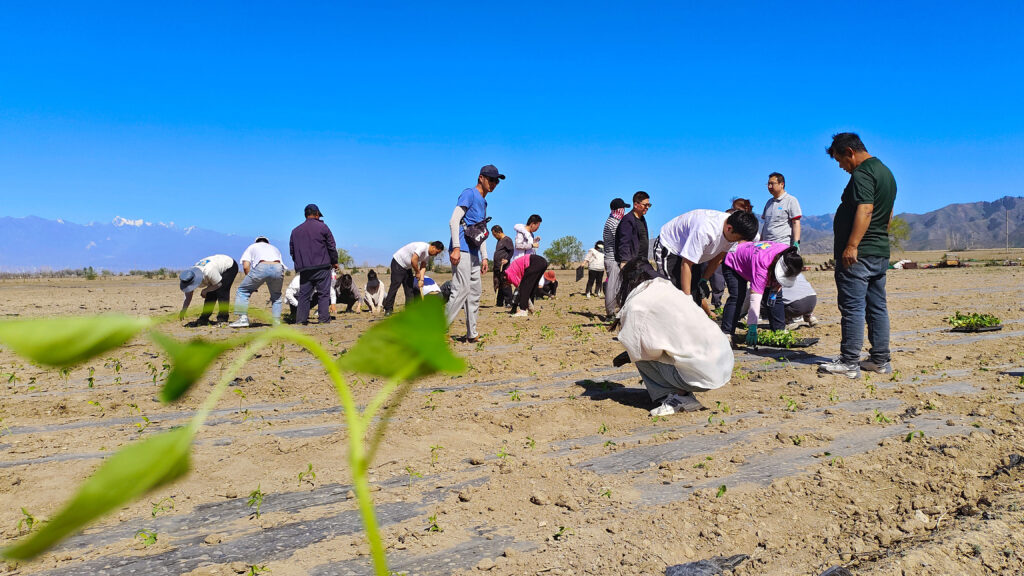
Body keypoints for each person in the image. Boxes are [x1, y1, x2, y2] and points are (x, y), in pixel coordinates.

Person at [819, 133, 897, 379]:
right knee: (877, 307)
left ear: (850, 152)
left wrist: (852, 245)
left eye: (841, 160)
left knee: (852, 307)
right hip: (878, 251)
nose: (842, 167)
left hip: (858, 256)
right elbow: (889, 212)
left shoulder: (862, 173)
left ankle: (850, 362)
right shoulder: (885, 172)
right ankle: (880, 360)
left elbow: (866, 208)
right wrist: (879, 238)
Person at [615, 258, 734, 416]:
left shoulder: (637, 304)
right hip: (722, 360)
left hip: (704, 372)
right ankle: (682, 393)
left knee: (641, 357)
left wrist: (631, 355)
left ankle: (677, 398)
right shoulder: (668, 288)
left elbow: (643, 350)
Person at [653, 209, 759, 307]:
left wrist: (704, 280)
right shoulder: (705, 231)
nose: (736, 243)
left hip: (692, 254)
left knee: (695, 294)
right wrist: (686, 301)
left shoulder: (734, 230)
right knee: (674, 292)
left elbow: (719, 258)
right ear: (729, 228)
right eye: (737, 239)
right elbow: (686, 264)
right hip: (671, 247)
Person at [445, 165, 499, 343]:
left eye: (496, 181)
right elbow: (454, 221)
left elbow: (480, 231)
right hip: (462, 250)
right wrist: (456, 248)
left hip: (475, 252)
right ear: (481, 178)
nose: (494, 184)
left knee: (475, 292)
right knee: (461, 289)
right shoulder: (469, 194)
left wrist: (484, 257)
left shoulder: (483, 202)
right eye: (491, 180)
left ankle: (472, 333)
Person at [723, 242, 803, 344]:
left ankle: (779, 332)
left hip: (760, 263)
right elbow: (755, 299)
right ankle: (727, 333)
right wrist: (752, 326)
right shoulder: (762, 265)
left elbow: (782, 279)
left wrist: (777, 286)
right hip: (734, 260)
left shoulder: (788, 255)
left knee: (776, 297)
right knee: (737, 297)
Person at [289, 204, 339, 325]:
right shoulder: (323, 227)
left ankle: (301, 320)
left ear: (306, 215)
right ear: (317, 214)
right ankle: (323, 319)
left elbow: (292, 251)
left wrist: (300, 264)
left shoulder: (295, 231)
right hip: (322, 266)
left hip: (305, 268)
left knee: (304, 295)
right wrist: (334, 262)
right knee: (323, 293)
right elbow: (331, 246)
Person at [229, 236, 285, 328]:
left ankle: (243, 319)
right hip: (278, 267)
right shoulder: (274, 248)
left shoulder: (252, 247)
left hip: (262, 266)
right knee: (276, 296)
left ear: (256, 242)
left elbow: (246, 266)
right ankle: (276, 322)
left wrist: (251, 282)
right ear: (268, 243)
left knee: (243, 291)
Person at [720, 199, 756, 335]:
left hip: (745, 266)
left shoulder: (751, 224)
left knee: (741, 296)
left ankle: (731, 330)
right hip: (731, 263)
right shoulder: (732, 221)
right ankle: (727, 332)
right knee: (736, 295)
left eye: (739, 208)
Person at [383, 241, 445, 315]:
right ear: (433, 247)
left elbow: (423, 266)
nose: (436, 255)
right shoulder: (422, 247)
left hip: (407, 267)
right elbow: (414, 260)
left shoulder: (428, 255)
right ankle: (388, 309)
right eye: (436, 252)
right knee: (395, 286)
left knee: (409, 289)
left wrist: (421, 280)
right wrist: (417, 272)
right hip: (398, 263)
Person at [179, 254, 239, 325]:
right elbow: (188, 295)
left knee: (222, 291)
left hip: (229, 266)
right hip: (215, 268)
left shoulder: (208, 271)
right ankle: (204, 319)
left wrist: (205, 290)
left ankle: (223, 319)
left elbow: (219, 284)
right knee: (211, 293)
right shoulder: (189, 277)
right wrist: (184, 309)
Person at [760, 172, 802, 249]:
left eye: (772, 184)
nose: (769, 186)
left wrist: (796, 242)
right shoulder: (768, 203)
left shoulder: (791, 200)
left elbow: (796, 222)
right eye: (768, 184)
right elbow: (765, 224)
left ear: (781, 184)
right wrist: (760, 241)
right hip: (766, 246)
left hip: (782, 245)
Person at [603, 198, 629, 318]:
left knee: (617, 285)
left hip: (614, 258)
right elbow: (619, 240)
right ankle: (610, 312)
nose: (624, 211)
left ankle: (615, 310)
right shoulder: (613, 223)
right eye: (622, 208)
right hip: (612, 258)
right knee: (612, 287)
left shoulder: (614, 221)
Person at [615, 191, 653, 273]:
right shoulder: (628, 220)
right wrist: (624, 261)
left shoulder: (642, 219)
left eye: (649, 205)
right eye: (645, 205)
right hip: (631, 263)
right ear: (636, 204)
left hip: (642, 262)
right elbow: (624, 242)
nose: (647, 207)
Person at [491, 225, 515, 307]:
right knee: (500, 284)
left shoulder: (507, 240)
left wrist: (507, 259)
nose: (494, 236)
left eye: (494, 234)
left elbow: (511, 250)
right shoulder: (499, 240)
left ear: (499, 232)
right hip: (498, 266)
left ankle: (509, 302)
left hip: (504, 266)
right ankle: (499, 302)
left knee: (505, 283)